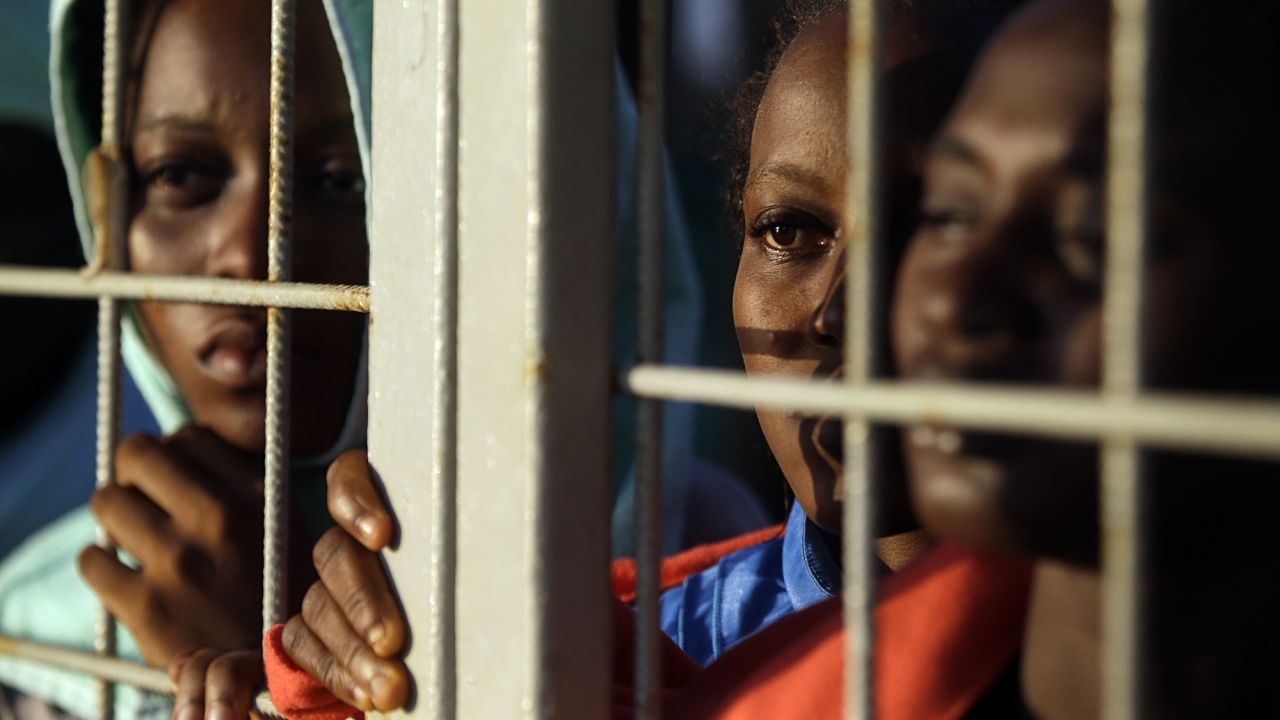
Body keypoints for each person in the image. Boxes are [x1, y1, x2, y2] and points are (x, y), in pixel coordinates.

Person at [0, 0, 371, 715]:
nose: (246, 255)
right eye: (177, 175)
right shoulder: (44, 634)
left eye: (339, 180)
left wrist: (289, 662)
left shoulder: (636, 569)